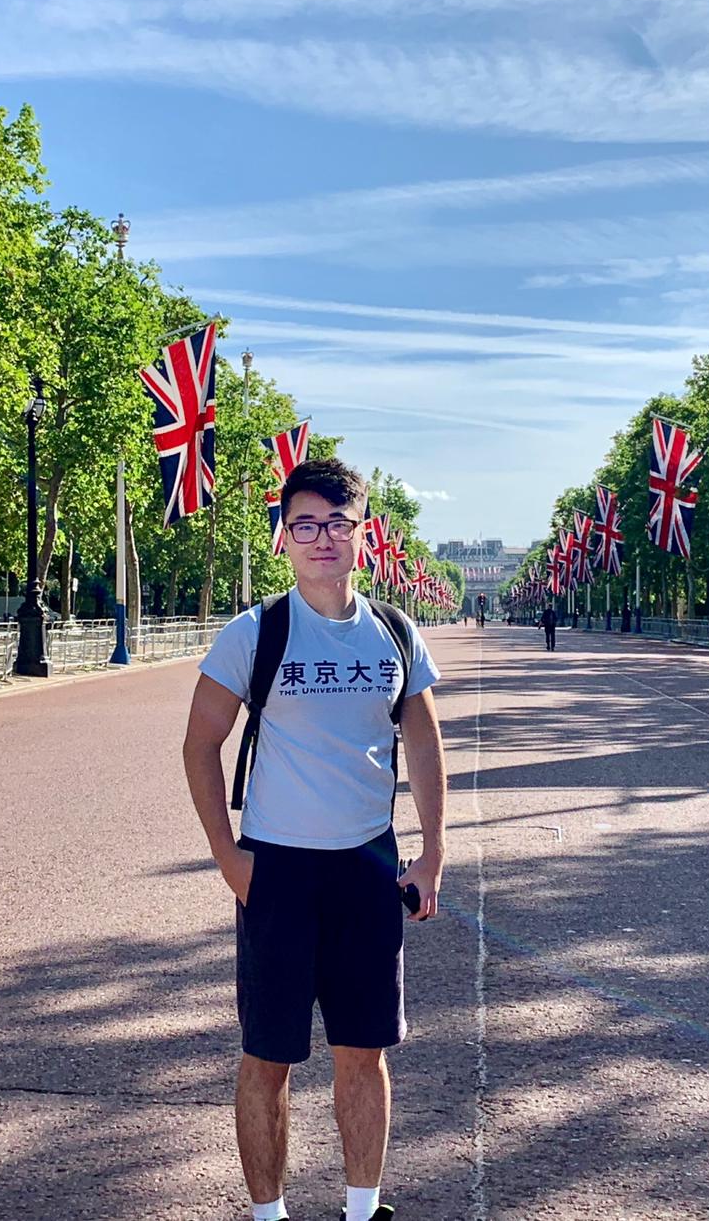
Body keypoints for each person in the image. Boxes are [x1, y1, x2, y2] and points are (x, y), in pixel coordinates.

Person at [183, 457, 447, 1221]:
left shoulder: (396, 633)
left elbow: (424, 746)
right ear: (284, 537)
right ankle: (270, 1216)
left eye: (337, 524)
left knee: (363, 1053)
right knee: (268, 1056)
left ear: (364, 536)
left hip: (368, 865)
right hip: (279, 871)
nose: (321, 538)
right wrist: (229, 857)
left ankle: (362, 1211)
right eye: (305, 525)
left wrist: (433, 850)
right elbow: (200, 745)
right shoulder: (255, 632)